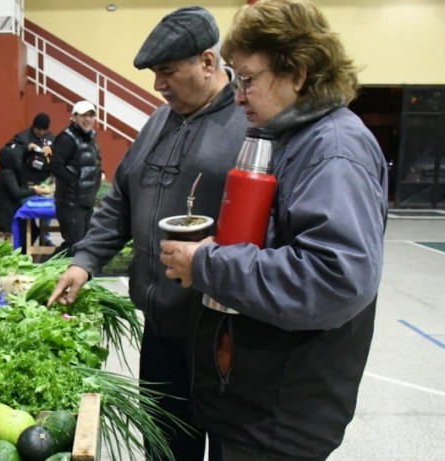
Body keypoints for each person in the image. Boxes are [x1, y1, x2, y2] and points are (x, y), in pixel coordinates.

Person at [158, 1, 389, 459]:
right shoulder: (293, 139)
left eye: (247, 79)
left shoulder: (334, 152)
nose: (238, 94)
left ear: (298, 73)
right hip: (255, 402)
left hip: (281, 419)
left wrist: (208, 264)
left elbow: (333, 277)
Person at [47, 7, 247, 460]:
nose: (158, 84)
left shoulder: (246, 124)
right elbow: (121, 198)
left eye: (168, 72)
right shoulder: (159, 121)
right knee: (164, 447)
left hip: (221, 334)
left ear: (208, 63)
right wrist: (84, 261)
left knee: (227, 448)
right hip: (160, 329)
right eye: (156, 73)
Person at [49, 101, 102, 256]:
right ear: (73, 117)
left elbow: (88, 162)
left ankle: (47, 268)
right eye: (84, 115)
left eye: (91, 115)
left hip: (85, 202)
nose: (88, 119)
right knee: (77, 246)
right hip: (70, 204)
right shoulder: (66, 138)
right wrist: (74, 182)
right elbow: (55, 165)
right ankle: (44, 267)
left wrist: (99, 172)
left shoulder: (90, 137)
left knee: (80, 244)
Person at [0, 148, 44, 234]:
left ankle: (24, 246)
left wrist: (30, 189)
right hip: (4, 217)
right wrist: (34, 190)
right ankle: (23, 247)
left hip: (1, 212)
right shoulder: (7, 174)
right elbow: (17, 193)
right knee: (32, 229)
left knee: (33, 228)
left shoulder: (4, 172)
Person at [7, 112, 55, 188]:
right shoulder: (23, 137)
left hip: (46, 178)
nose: (41, 132)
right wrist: (26, 147)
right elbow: (9, 149)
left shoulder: (50, 137)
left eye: (44, 130)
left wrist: (51, 148)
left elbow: (59, 149)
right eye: (39, 129)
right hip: (28, 180)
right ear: (34, 126)